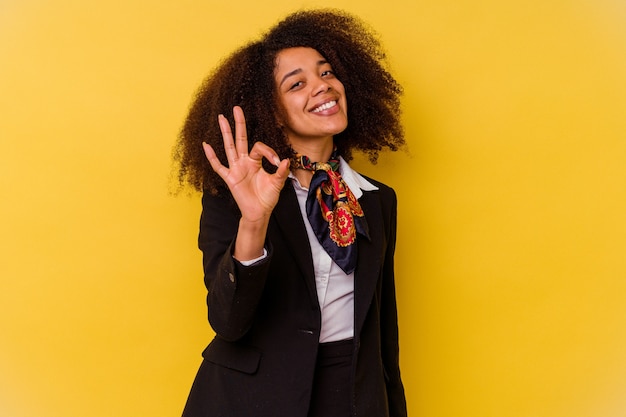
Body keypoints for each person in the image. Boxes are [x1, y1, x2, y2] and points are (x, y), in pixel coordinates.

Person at [173, 8, 407, 417]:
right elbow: (228, 322)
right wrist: (255, 220)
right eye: (297, 84)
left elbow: (384, 335)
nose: (322, 87)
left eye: (327, 73)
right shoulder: (234, 195)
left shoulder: (376, 199)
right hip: (252, 399)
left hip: (352, 396)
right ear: (272, 110)